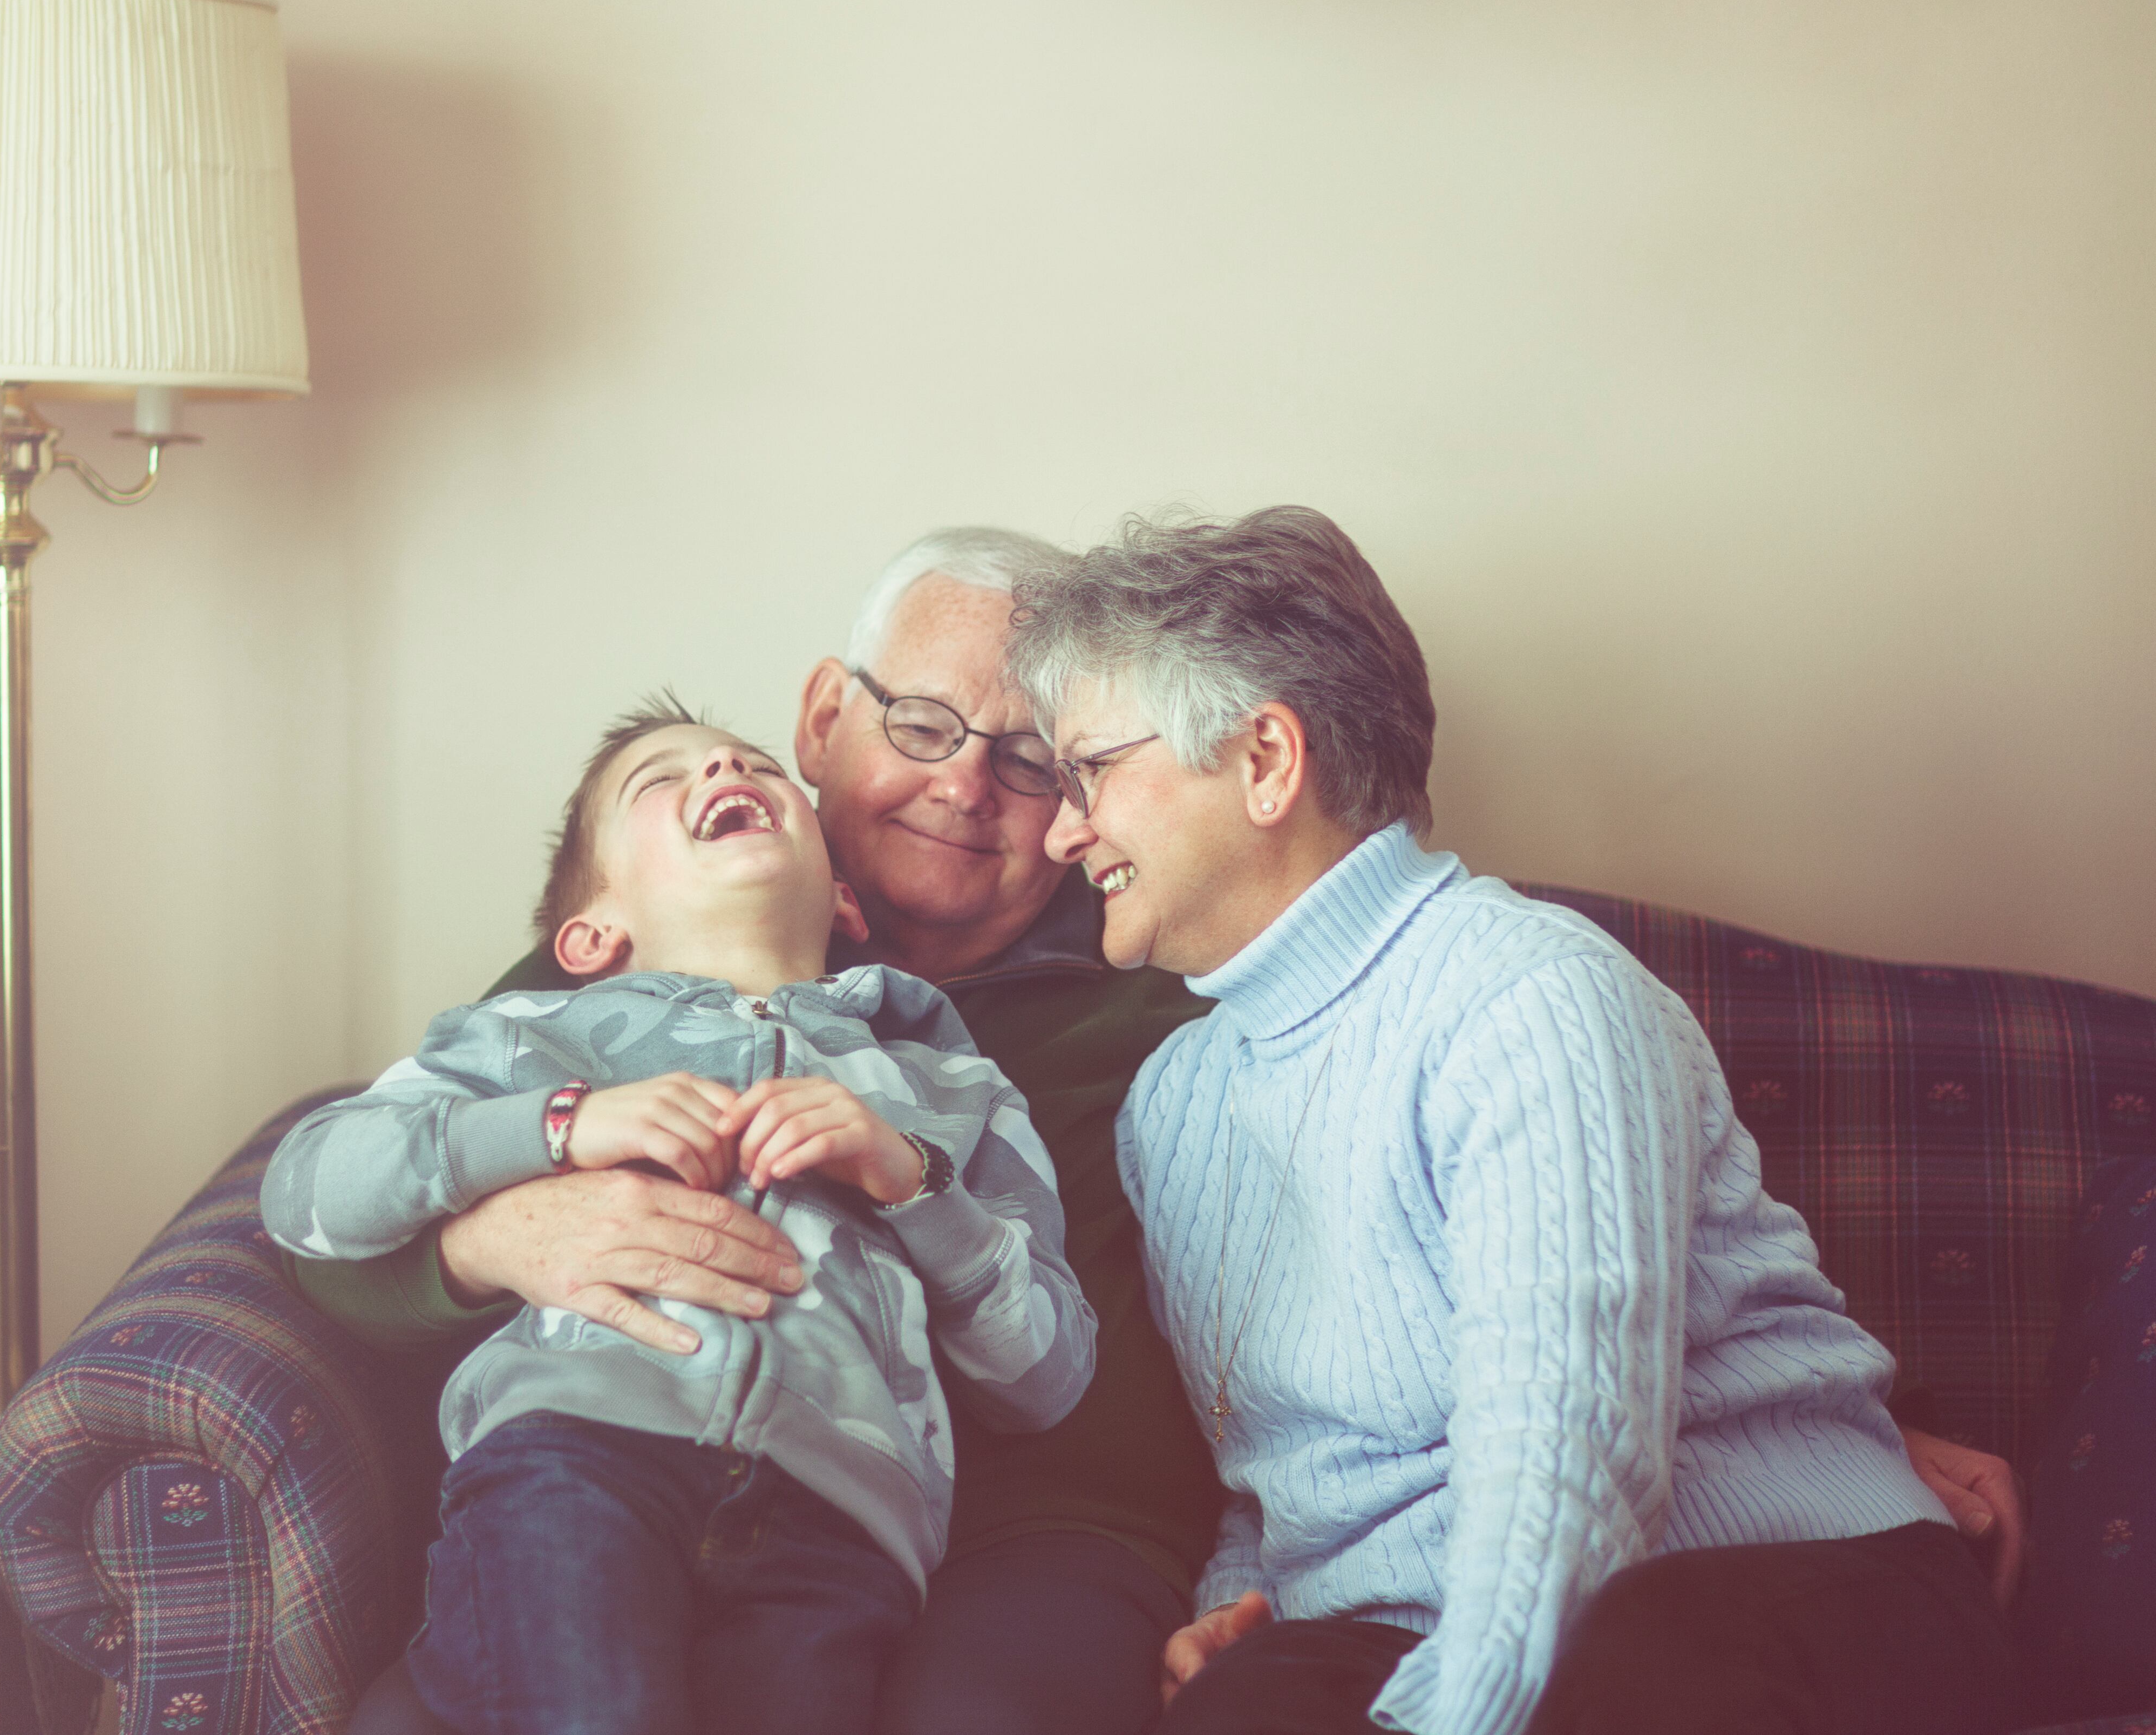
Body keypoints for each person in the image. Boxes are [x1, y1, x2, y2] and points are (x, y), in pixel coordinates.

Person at [303, 527, 2026, 1735]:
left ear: (1263, 762)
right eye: (925, 730)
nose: (1029, 815)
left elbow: (1571, 1393)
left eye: (1064, 766)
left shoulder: (1308, 1014)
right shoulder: (647, 942)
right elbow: (334, 1189)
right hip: (684, 1467)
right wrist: (497, 1226)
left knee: (1645, 1659)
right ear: (825, 720)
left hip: (1422, 1578)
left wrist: (1854, 1410)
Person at [1010, 506, 2022, 1735]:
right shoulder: (1172, 1103)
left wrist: (1447, 1717)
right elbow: (1267, 1461)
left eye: (1091, 771)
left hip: (1772, 1577)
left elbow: (1568, 1450)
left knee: (1630, 1677)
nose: (1063, 829)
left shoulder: (1527, 992)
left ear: (1267, 759)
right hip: (1415, 1623)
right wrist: (1241, 1609)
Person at [263, 697, 1096, 1735]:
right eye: (663, 778)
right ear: (590, 934)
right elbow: (306, 1189)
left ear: (844, 899)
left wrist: (911, 1178)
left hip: (841, 1523)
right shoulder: (527, 1038)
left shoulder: (955, 1085)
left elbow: (1045, 1377)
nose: (720, 772)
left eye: (750, 763)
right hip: (578, 1450)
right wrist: (559, 1125)